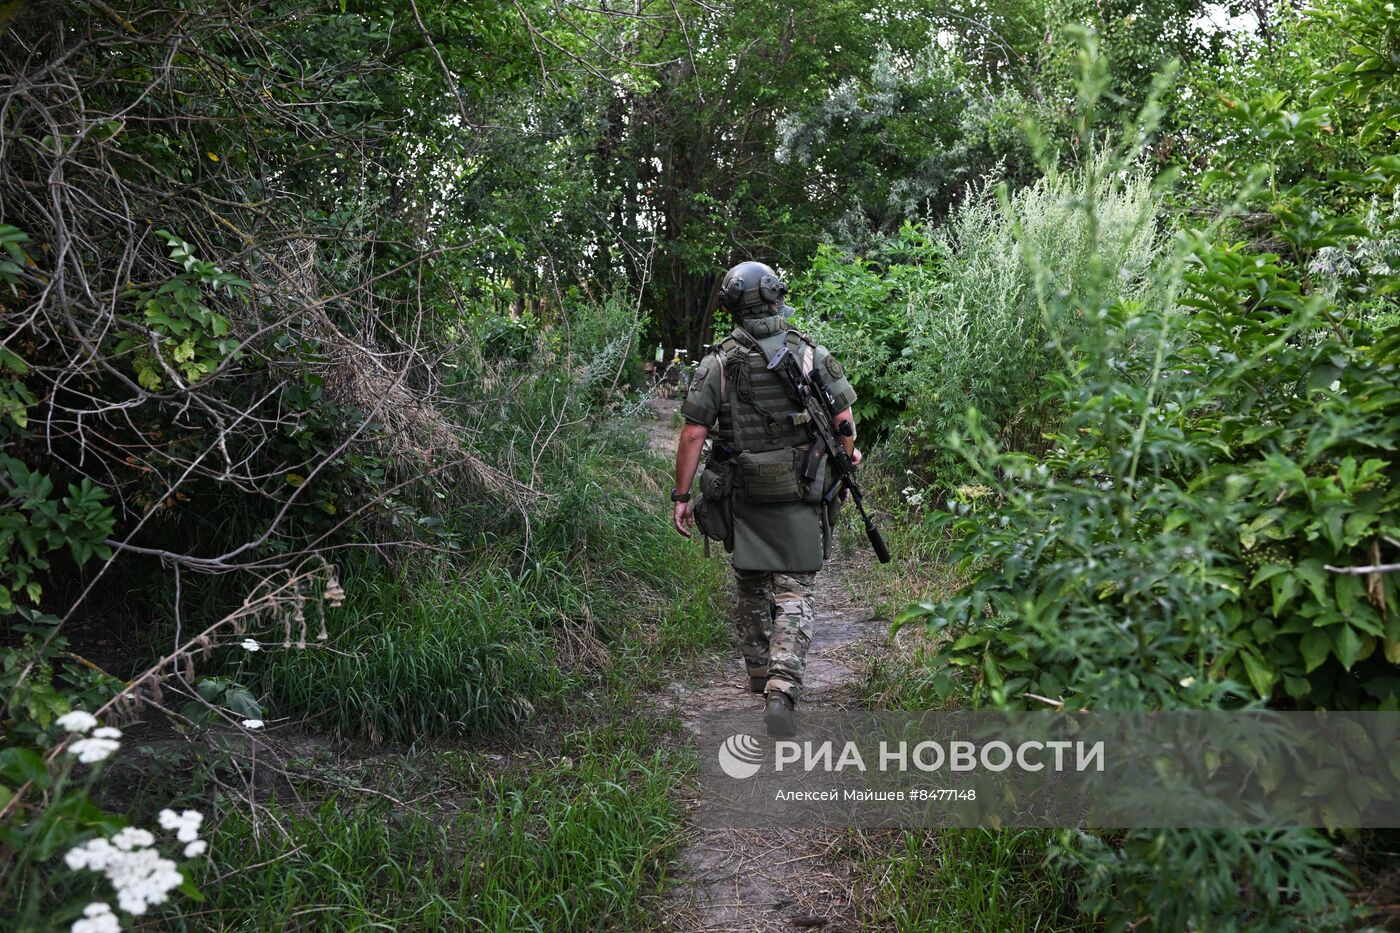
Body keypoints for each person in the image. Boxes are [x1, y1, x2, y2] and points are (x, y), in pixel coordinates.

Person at [669, 260, 861, 737]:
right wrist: (847, 457)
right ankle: (782, 686)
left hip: (743, 492)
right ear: (776, 296)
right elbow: (845, 422)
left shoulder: (717, 363)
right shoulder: (810, 353)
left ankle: (758, 673)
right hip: (802, 487)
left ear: (732, 306)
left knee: (751, 582)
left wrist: (681, 495)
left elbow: (694, 433)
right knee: (794, 590)